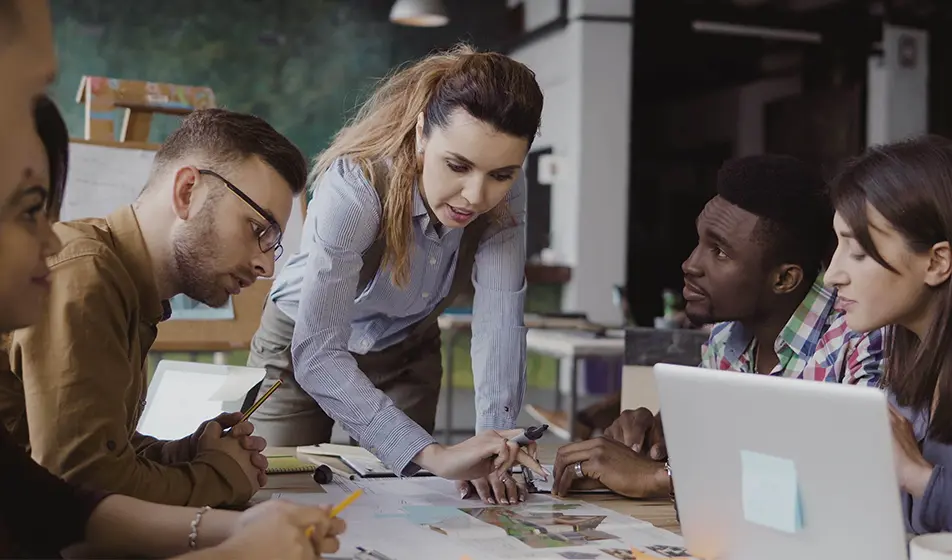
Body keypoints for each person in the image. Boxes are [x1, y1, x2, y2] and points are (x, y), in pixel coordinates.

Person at [0, 62, 345, 560]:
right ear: (187, 191)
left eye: (276, 243)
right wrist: (217, 477)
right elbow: (81, 484)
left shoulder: (128, 288)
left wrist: (180, 454)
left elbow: (87, 458)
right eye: (258, 230)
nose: (265, 265)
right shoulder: (85, 275)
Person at [246, 43, 546, 505]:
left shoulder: (509, 190)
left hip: (407, 348)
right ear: (422, 131)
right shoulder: (356, 186)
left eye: (501, 174)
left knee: (405, 505)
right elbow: (318, 354)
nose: (475, 194)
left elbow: (500, 315)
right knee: (274, 495)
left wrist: (495, 442)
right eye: (458, 165)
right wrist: (434, 453)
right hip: (300, 347)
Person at [550, 154, 885, 498]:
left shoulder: (860, 339)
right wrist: (650, 442)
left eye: (719, 252)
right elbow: (712, 452)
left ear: (784, 278)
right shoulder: (726, 337)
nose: (690, 264)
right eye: (700, 242)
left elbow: (850, 481)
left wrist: (657, 478)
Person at [825, 134, 952, 534]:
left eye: (859, 251)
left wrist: (916, 475)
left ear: (936, 262)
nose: (832, 275)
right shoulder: (903, 367)